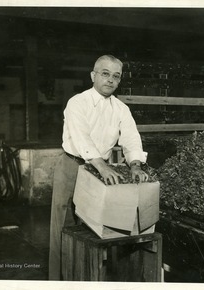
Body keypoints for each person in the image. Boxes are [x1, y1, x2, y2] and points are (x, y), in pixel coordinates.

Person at [48, 54, 149, 280]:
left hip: (98, 171)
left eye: (116, 76)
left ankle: (90, 279)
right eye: (105, 74)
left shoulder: (121, 109)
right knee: (63, 228)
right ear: (93, 76)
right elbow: (82, 139)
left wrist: (134, 165)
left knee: (95, 227)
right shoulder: (77, 103)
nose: (110, 80)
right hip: (72, 166)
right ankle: (57, 281)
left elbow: (132, 138)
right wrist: (103, 167)